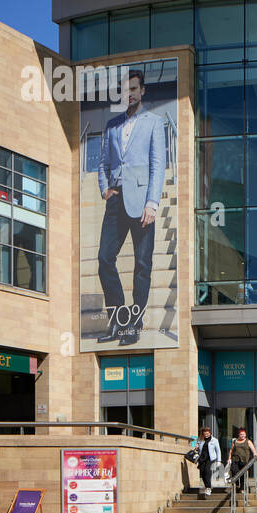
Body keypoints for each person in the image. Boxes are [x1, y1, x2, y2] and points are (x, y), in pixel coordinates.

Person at [97, 68, 167, 345]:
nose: (130, 94)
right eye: (126, 90)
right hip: (116, 200)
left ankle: (134, 325)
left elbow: (157, 165)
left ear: (143, 91)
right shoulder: (112, 125)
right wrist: (105, 189)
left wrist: (152, 202)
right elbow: (103, 163)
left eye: (134, 89)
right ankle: (117, 319)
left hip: (142, 203)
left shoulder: (153, 122)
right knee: (104, 259)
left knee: (142, 263)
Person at [194, 427, 220, 498]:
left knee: (207, 471)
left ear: (210, 433)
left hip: (210, 458)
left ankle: (208, 488)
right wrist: (196, 448)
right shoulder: (200, 439)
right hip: (202, 458)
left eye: (207, 433)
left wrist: (219, 460)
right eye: (205, 434)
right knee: (202, 472)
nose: (206, 435)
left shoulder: (214, 440)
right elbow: (197, 447)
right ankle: (206, 486)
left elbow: (218, 451)